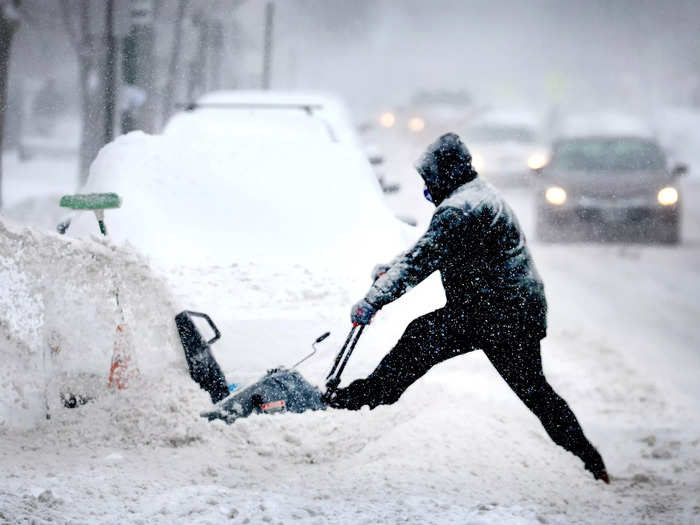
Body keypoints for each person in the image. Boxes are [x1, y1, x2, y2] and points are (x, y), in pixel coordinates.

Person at [325, 133, 609, 483]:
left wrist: (373, 300)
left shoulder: (461, 209)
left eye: (429, 179)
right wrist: (391, 267)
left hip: (496, 311)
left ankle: (354, 405)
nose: (427, 188)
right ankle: (589, 463)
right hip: (506, 307)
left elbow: (421, 260)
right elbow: (426, 249)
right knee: (535, 391)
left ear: (445, 174)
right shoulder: (473, 195)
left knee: (423, 339)